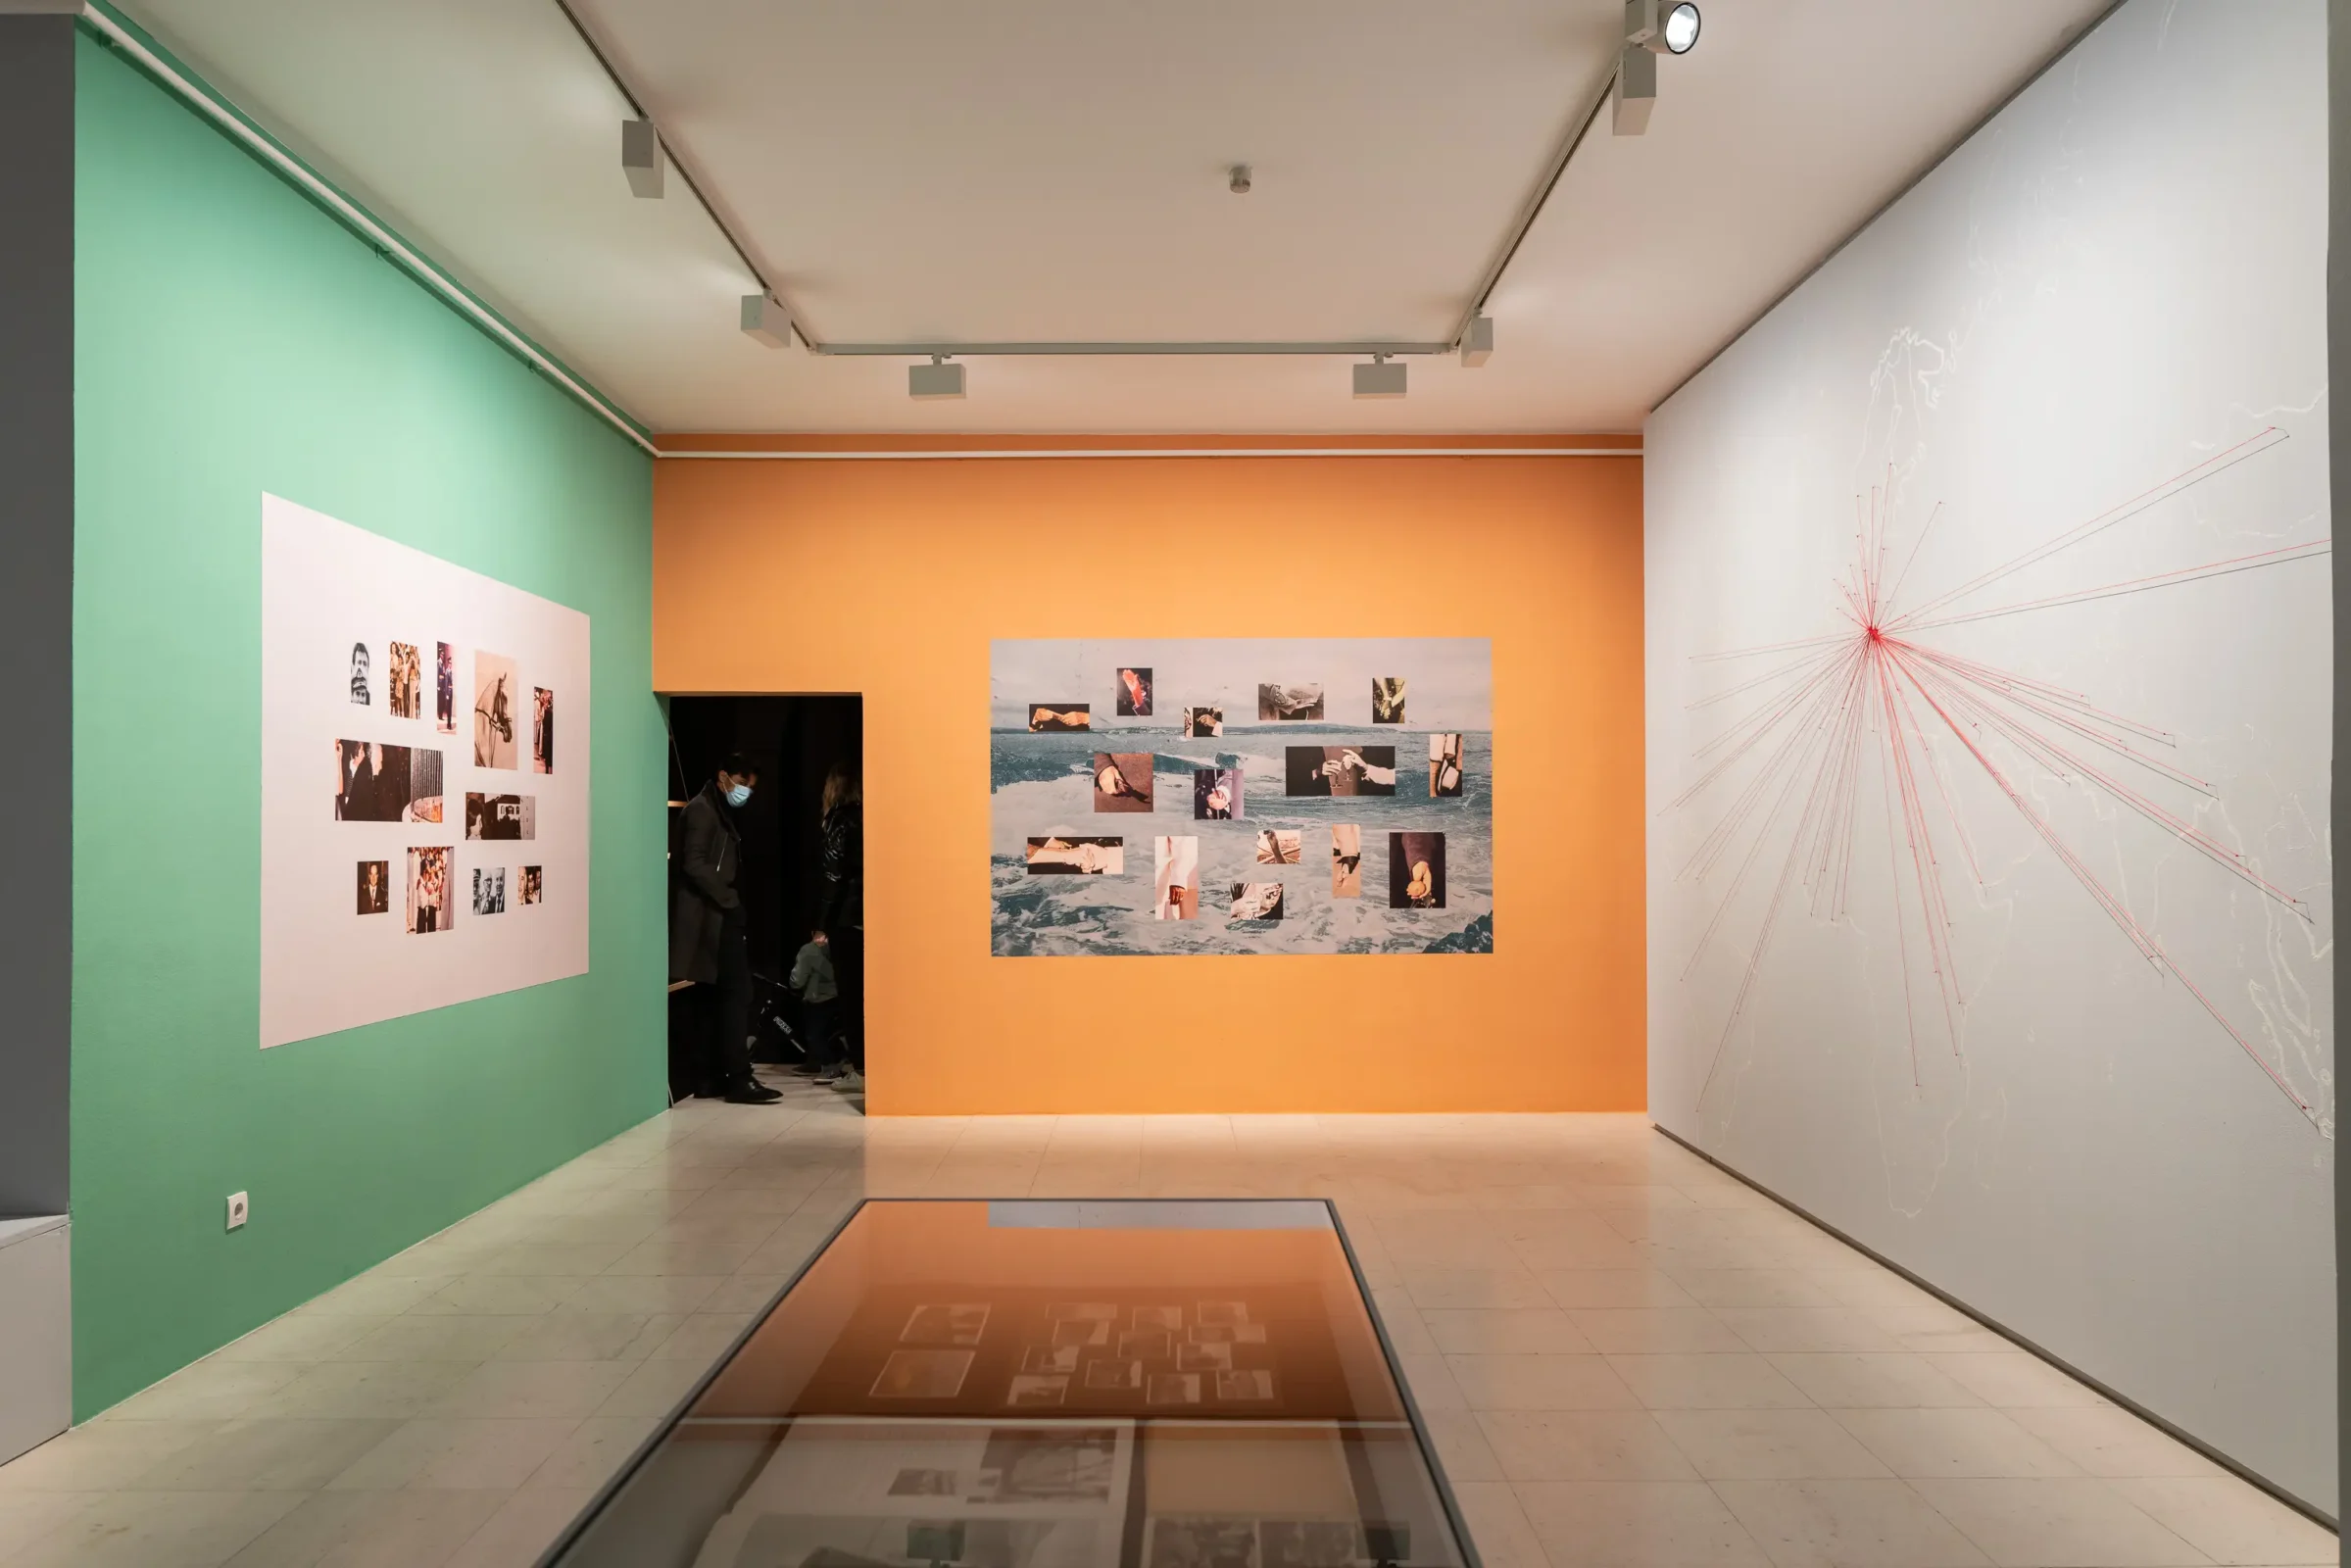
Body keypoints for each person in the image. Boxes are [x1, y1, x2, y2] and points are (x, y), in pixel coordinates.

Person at [670, 754, 779, 1104]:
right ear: (723, 777)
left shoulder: (714, 809)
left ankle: (711, 1076)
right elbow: (694, 863)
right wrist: (729, 899)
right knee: (736, 993)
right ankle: (739, 1077)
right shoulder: (702, 810)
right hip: (712, 918)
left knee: (714, 997)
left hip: (715, 917)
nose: (746, 791)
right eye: (742, 783)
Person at [815, 765, 865, 1092]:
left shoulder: (837, 819)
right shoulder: (869, 816)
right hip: (873, 915)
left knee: (850, 996)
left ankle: (861, 1070)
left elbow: (833, 876)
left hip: (848, 917)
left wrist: (821, 924)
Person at [786, 930, 845, 1082]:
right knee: (832, 1033)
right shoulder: (839, 946)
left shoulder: (809, 950)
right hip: (840, 996)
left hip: (819, 998)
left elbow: (797, 981)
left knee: (815, 1035)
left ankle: (830, 1069)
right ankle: (816, 1063)